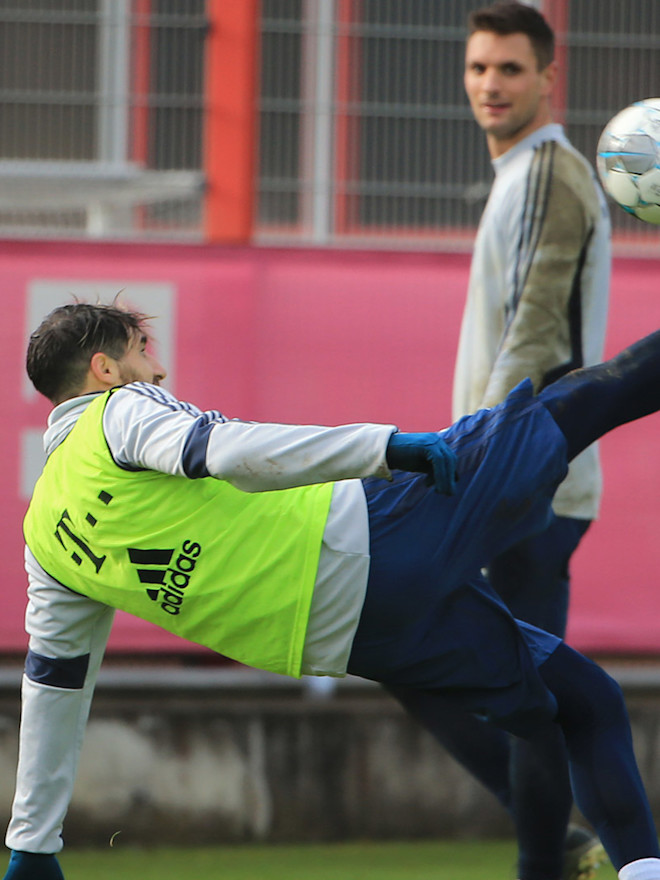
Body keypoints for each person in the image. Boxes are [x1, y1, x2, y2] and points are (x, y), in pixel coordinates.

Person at [5, 300, 660, 880]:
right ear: (105, 370)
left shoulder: (44, 539)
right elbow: (224, 448)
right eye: (143, 351)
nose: (159, 370)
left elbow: (55, 685)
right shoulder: (117, 412)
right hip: (367, 537)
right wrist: (385, 447)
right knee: (578, 402)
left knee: (586, 701)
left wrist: (32, 844)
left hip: (344, 637)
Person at [387, 4, 611, 879]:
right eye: (479, 67)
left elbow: (534, 334)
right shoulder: (523, 172)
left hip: (526, 476)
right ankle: (558, 848)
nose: (491, 84)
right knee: (505, 685)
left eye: (510, 68)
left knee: (409, 637)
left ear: (548, 77)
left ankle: (551, 855)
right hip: (524, 469)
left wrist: (480, 454)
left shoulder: (550, 174)